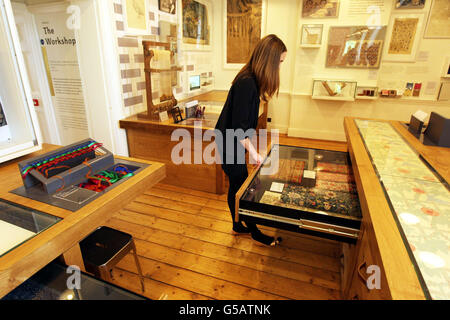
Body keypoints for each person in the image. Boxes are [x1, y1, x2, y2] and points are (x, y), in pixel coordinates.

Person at [215, 34, 287, 246]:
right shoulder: (247, 82)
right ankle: (253, 231)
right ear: (270, 61)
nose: (280, 68)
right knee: (242, 188)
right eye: (280, 63)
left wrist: (253, 150)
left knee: (237, 185)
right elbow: (239, 128)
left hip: (231, 139)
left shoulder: (250, 78)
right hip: (228, 140)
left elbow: (242, 125)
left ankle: (238, 226)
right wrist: (255, 153)